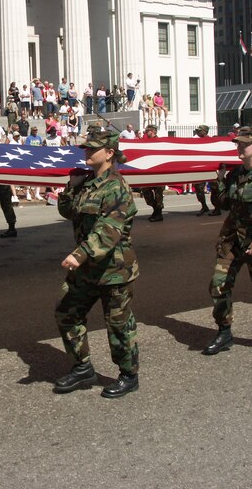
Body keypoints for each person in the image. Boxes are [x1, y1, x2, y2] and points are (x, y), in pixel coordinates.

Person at [54, 128, 139, 397]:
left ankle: (128, 374)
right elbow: (68, 212)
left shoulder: (117, 187)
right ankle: (82, 367)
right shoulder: (89, 183)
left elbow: (108, 231)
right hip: (88, 268)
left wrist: (78, 255)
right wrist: (71, 187)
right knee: (66, 312)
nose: (86, 152)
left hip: (114, 268)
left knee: (118, 323)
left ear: (110, 153)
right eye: (86, 148)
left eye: (92, 148)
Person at [203, 126, 252, 356]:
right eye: (237, 143)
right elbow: (223, 204)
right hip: (232, 240)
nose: (238, 146)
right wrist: (218, 183)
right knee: (218, 284)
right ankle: (224, 331)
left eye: (243, 144)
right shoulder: (235, 175)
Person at [193, 125, 221, 217]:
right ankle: (204, 206)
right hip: (201, 169)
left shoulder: (211, 142)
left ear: (204, 131)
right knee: (198, 189)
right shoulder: (196, 142)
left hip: (211, 169)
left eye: (199, 131)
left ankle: (217, 208)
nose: (197, 132)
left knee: (214, 190)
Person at [139, 125, 165, 222]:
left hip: (159, 172)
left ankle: (158, 214)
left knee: (158, 195)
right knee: (146, 193)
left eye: (147, 131)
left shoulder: (159, 142)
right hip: (148, 172)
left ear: (153, 131)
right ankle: (156, 210)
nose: (146, 133)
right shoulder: (146, 141)